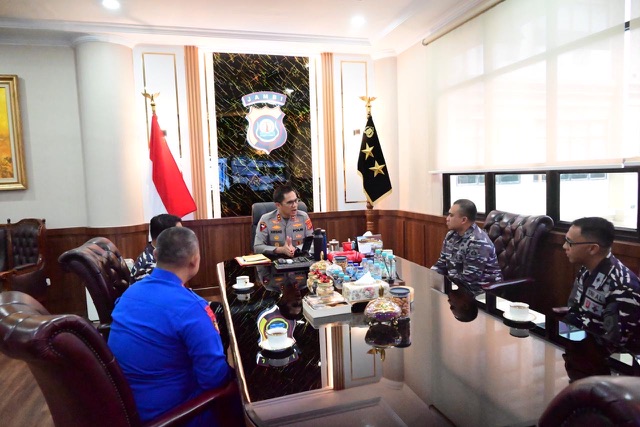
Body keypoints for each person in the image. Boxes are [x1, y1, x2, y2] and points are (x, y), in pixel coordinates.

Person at [108, 227, 234, 426]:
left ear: (155, 254)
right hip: (174, 415)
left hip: (125, 405)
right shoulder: (192, 309)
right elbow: (214, 379)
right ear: (195, 260)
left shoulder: (130, 293)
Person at [560, 217, 640, 379]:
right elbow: (574, 311)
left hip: (614, 371)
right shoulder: (586, 270)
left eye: (570, 242)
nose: (564, 246)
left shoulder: (621, 286)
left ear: (592, 248)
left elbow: (613, 344)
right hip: (582, 353)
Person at [431, 199, 502, 294]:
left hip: (481, 293)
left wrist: (446, 289)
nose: (447, 218)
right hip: (457, 287)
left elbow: (469, 280)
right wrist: (430, 277)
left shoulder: (477, 241)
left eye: (451, 215)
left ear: (464, 220)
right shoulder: (451, 235)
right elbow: (441, 264)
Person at [254, 184, 314, 257]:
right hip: (275, 260)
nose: (294, 205)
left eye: (296, 201)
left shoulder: (303, 217)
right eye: (290, 202)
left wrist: (296, 249)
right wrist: (280, 250)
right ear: (278, 205)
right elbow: (257, 247)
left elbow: (312, 242)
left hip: (299, 258)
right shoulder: (266, 220)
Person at [130, 213, 182, 283]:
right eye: (180, 234)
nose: (183, 238)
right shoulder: (150, 266)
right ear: (165, 237)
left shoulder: (161, 255)